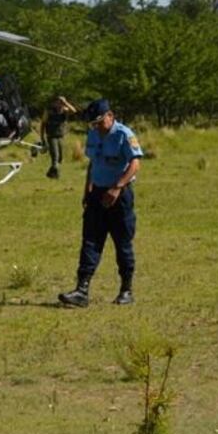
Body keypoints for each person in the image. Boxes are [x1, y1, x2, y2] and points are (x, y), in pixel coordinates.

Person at [58, 99, 143, 308]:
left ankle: (126, 290)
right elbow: (92, 163)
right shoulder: (94, 134)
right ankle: (81, 290)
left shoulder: (124, 135)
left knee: (122, 242)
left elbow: (135, 164)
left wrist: (117, 187)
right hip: (97, 194)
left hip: (119, 196)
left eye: (99, 122)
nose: (96, 127)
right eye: (93, 124)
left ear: (110, 116)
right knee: (90, 240)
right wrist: (87, 189)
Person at [40, 95, 79, 179]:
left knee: (60, 158)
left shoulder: (64, 111)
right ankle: (56, 175)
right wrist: (42, 138)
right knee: (55, 156)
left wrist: (65, 103)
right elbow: (43, 124)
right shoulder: (49, 111)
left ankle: (50, 173)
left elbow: (74, 111)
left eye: (61, 103)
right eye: (58, 102)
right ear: (54, 103)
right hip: (51, 136)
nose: (59, 104)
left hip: (60, 136)